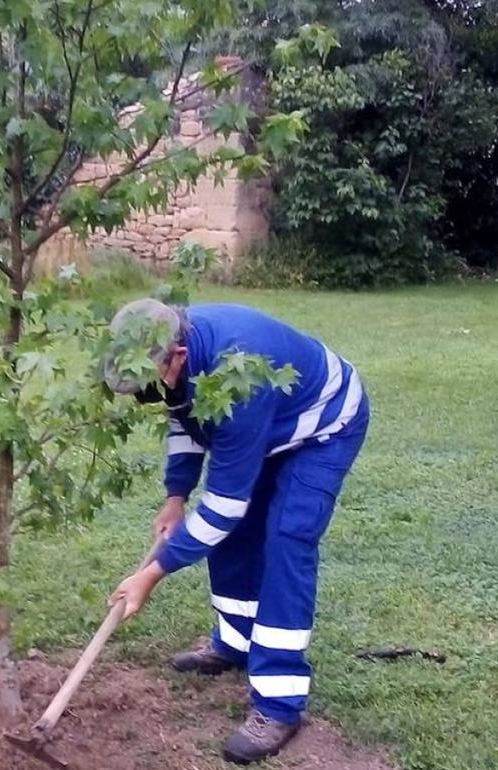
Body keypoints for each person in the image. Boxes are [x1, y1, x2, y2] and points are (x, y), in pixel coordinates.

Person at [103, 298, 369, 765]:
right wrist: (175, 495)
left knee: (287, 540)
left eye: (146, 385)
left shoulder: (239, 383)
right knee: (234, 538)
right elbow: (185, 418)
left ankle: (279, 705)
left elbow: (223, 508)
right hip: (272, 425)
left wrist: (151, 575)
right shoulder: (177, 348)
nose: (144, 395)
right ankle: (235, 641)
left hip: (324, 426)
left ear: (178, 357)